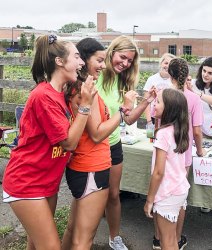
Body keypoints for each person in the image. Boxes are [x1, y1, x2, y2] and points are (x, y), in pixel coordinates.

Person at [2, 34, 97, 250]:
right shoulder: (43, 96)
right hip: (27, 182)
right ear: (60, 61)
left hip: (46, 183)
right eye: (76, 57)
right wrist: (85, 106)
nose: (81, 62)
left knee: (35, 244)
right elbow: (69, 143)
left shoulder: (57, 94)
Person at [61, 38, 137, 250]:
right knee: (85, 237)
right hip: (92, 168)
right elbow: (96, 134)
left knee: (73, 228)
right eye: (99, 60)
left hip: (83, 166)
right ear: (84, 60)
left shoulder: (79, 87)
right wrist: (123, 110)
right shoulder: (87, 91)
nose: (104, 66)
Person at [95, 35, 155, 250]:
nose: (126, 63)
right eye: (122, 57)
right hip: (93, 144)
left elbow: (128, 118)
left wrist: (146, 101)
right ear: (111, 52)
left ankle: (114, 237)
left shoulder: (122, 81)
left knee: (113, 194)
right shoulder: (97, 75)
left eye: (130, 60)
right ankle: (83, 235)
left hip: (113, 143)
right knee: (91, 195)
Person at [151, 58, 206, 250]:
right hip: (184, 151)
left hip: (162, 147)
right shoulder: (193, 98)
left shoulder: (162, 94)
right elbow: (197, 131)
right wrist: (200, 150)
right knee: (179, 196)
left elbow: (155, 122)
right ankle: (175, 236)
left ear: (170, 73)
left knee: (161, 192)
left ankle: (159, 237)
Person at [144, 88, 190, 250]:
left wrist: (149, 200)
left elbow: (158, 172)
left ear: (169, 108)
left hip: (168, 192)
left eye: (158, 102)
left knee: (167, 241)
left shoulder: (163, 133)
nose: (154, 105)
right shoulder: (179, 131)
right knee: (169, 239)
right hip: (179, 188)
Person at [143, 53, 176, 125]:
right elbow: (146, 101)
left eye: (170, 65)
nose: (167, 66)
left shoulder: (175, 81)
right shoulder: (151, 79)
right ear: (161, 63)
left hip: (169, 118)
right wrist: (149, 121)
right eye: (166, 63)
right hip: (153, 116)